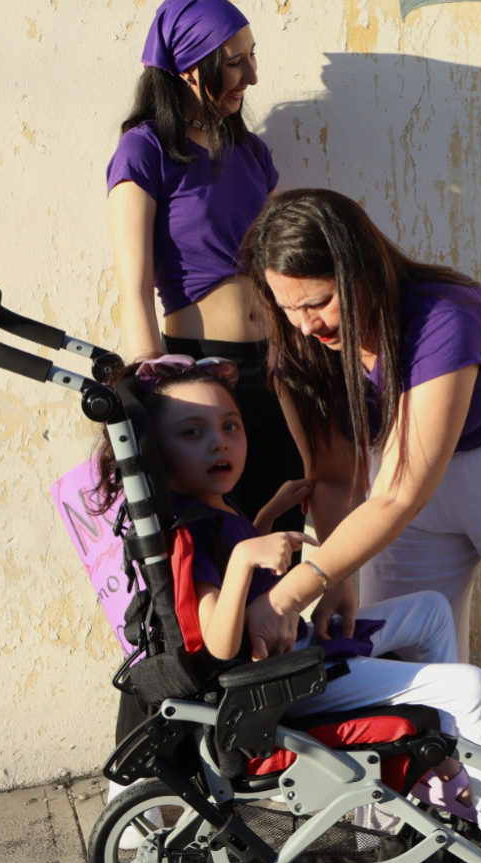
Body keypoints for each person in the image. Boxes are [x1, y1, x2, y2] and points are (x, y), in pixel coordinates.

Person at [236, 189, 481, 821]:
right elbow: (336, 473)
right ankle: (444, 820)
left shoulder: (443, 315)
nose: (307, 325)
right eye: (289, 309)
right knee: (395, 653)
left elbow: (399, 492)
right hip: (409, 480)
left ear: (360, 267)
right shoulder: (301, 349)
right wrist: (336, 574)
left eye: (318, 301)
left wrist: (289, 593)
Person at [91, 354, 481, 843]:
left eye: (230, 425)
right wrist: (243, 561)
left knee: (429, 610)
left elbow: (242, 569)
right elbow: (216, 644)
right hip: (282, 685)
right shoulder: (187, 534)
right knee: (468, 688)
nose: (219, 441)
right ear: (158, 456)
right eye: (192, 433)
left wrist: (266, 515)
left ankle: (438, 762)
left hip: (295, 652)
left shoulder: (212, 508)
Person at [106, 0, 303, 533]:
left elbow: (290, 265)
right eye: (237, 61)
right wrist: (153, 390)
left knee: (284, 529)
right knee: (220, 541)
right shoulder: (144, 151)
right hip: (201, 374)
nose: (253, 76)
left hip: (278, 368)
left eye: (252, 57)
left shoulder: (253, 154)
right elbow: (134, 287)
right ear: (192, 66)